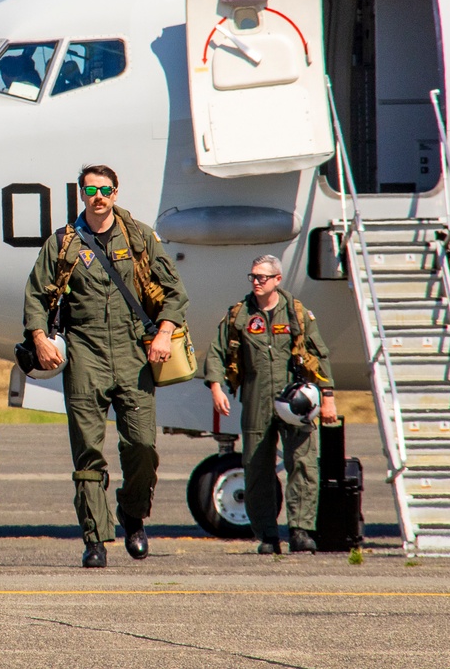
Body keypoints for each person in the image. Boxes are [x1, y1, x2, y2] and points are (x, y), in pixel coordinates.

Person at [23, 165, 189, 568]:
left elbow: (174, 292)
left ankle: (133, 515)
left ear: (116, 192)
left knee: (143, 447)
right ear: (81, 194)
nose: (99, 196)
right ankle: (95, 537)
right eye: (91, 189)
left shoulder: (138, 237)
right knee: (87, 453)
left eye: (106, 189)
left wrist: (165, 332)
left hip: (134, 354)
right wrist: (41, 338)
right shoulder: (62, 244)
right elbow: (36, 296)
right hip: (84, 354)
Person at [203, 255, 337, 554]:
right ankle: (266, 535)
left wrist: (327, 397)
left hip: (296, 399)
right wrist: (215, 386)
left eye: (262, 277)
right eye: (253, 276)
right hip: (256, 397)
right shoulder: (240, 315)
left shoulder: (296, 314)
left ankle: (301, 530)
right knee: (257, 467)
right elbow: (216, 351)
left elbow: (320, 353)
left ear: (277, 279)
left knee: (302, 463)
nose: (256, 282)